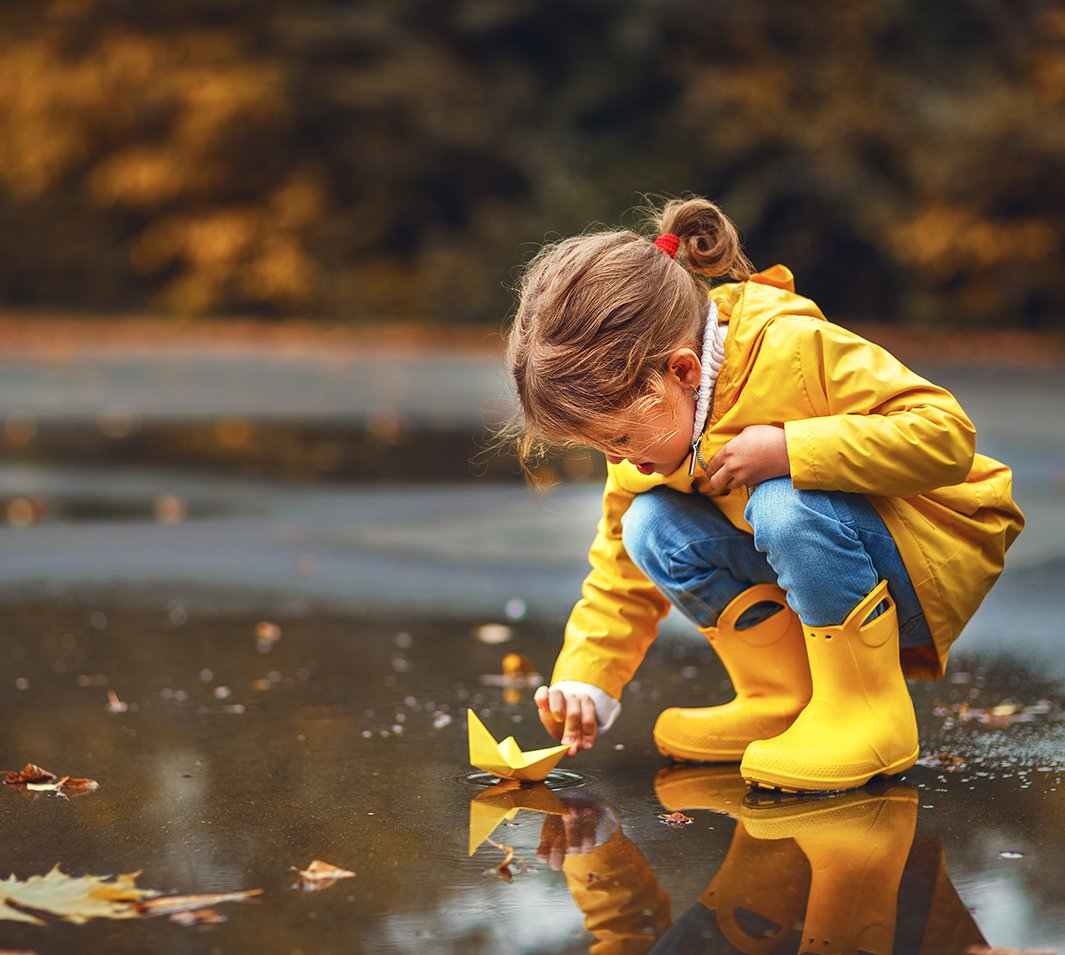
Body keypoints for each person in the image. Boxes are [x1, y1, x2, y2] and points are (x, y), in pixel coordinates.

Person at [505, 195, 1024, 792]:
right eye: (601, 446)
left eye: (619, 436)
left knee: (782, 498)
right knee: (647, 524)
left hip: (928, 549)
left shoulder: (793, 351)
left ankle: (868, 715)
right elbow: (619, 568)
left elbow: (946, 438)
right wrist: (587, 679)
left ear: (681, 372)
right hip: (822, 558)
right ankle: (784, 697)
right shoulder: (651, 437)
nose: (616, 459)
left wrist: (792, 449)